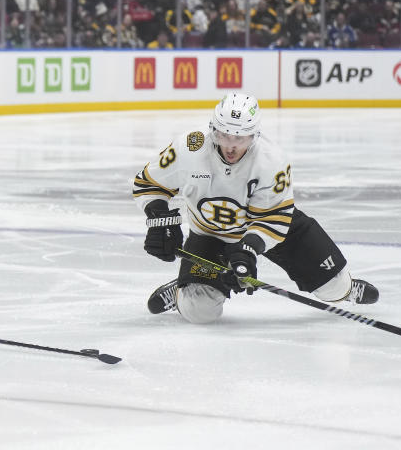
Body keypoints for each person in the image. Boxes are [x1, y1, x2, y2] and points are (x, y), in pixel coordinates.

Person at [133, 94, 378, 324]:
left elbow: (274, 217)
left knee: (334, 287)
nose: (230, 146)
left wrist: (248, 250)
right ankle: (182, 291)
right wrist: (160, 220)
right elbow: (149, 183)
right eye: (224, 135)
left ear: (254, 136)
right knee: (199, 310)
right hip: (210, 233)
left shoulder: (271, 161)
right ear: (212, 130)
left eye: (239, 138)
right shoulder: (190, 147)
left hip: (270, 228)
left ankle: (346, 289)